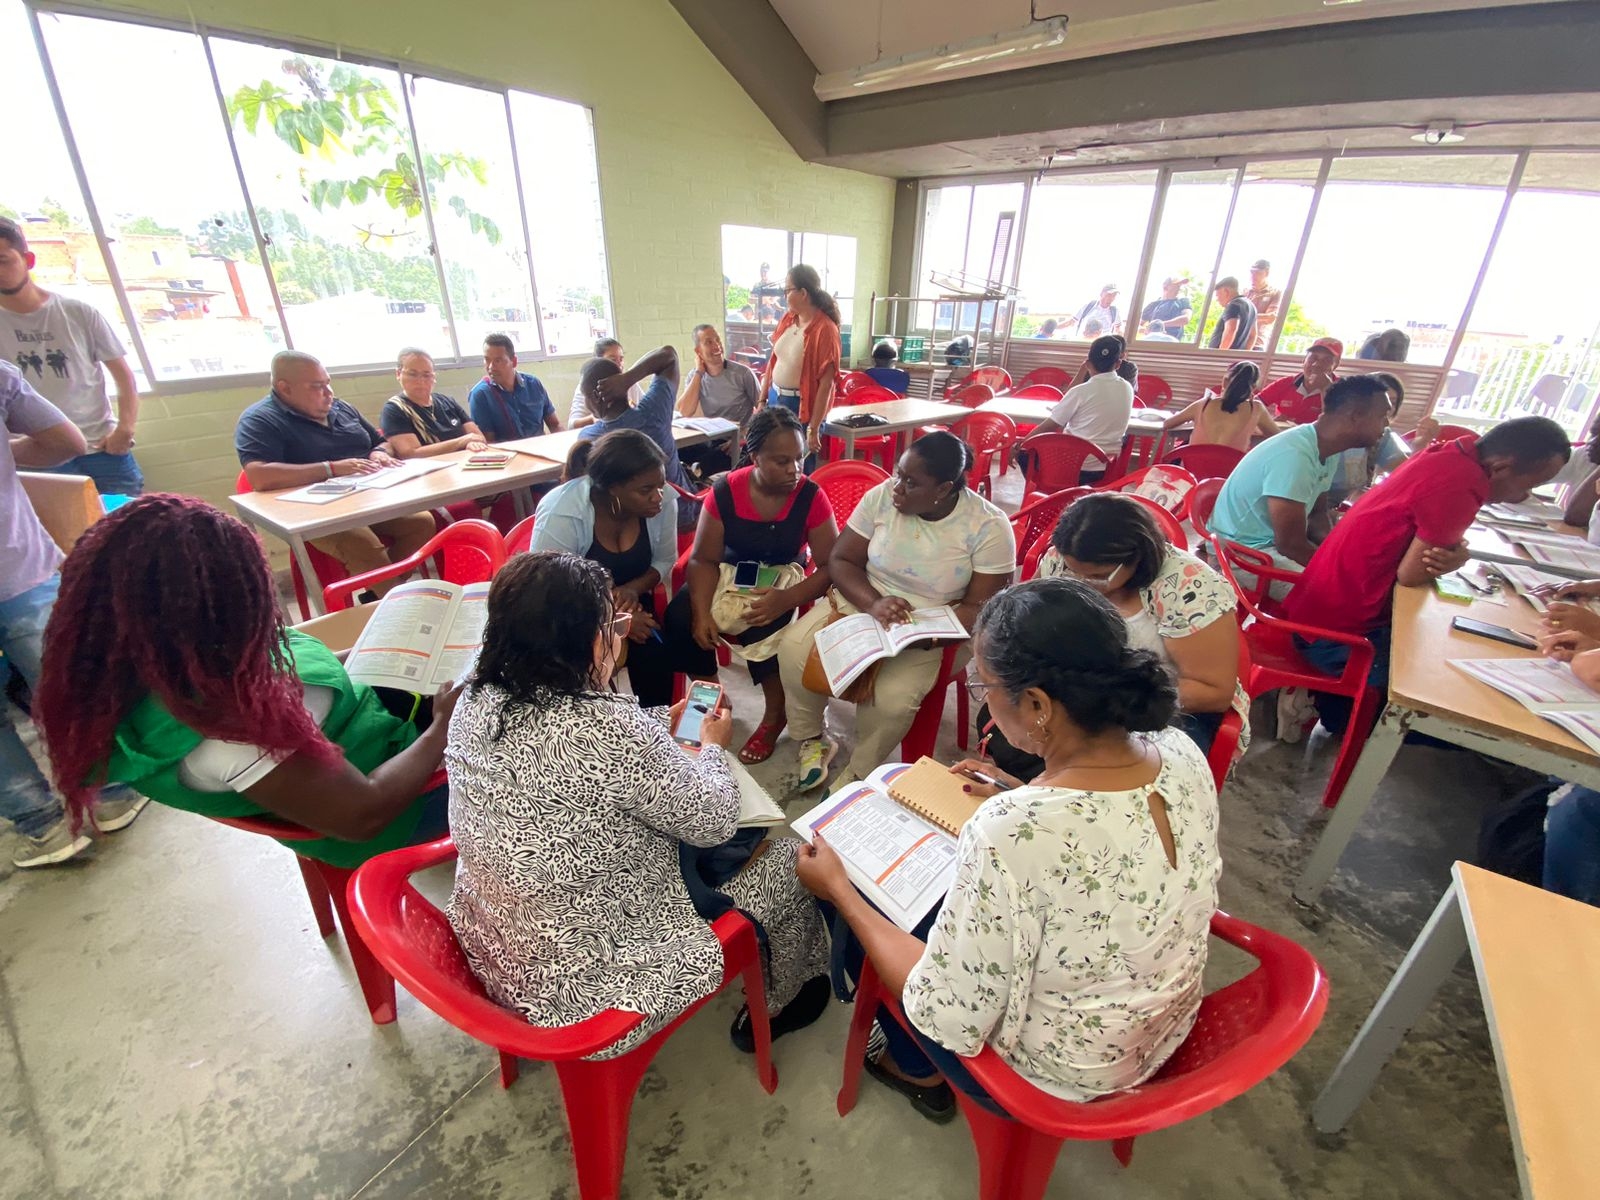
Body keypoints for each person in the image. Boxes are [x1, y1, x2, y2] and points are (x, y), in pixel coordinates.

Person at [796, 578, 1220, 1121]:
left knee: (856, 900)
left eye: (984, 683)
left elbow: (950, 1016)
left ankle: (914, 1067)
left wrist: (839, 889)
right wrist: (1019, 788)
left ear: (1038, 704)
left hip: (1062, 1075)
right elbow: (1108, 832)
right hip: (1162, 1026)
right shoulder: (1179, 748)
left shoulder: (1009, 831)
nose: (983, 697)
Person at [447, 550, 831, 1059]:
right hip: (587, 989)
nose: (621, 633)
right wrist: (712, 747)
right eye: (614, 623)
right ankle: (794, 994)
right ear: (584, 639)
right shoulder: (602, 729)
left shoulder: (475, 694)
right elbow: (712, 821)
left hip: (501, 944)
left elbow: (589, 750)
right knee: (790, 860)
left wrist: (655, 722)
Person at [33, 495, 458, 868]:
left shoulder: (161, 663)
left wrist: (387, 654)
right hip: (400, 811)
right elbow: (364, 814)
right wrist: (442, 727)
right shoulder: (230, 731)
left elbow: (290, 673)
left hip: (370, 733)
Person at [1282, 417, 1570, 731]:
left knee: (1442, 649)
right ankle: (1329, 705)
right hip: (1334, 636)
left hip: (1314, 610)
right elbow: (1412, 573)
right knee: (1440, 703)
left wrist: (1450, 553)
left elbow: (1427, 550)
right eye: (1528, 485)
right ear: (1500, 467)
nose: (1523, 497)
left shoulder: (1453, 452)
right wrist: (1455, 559)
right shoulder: (1462, 483)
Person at [777, 432, 1015, 789]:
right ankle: (813, 739)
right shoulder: (883, 498)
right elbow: (842, 559)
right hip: (863, 601)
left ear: (943, 488)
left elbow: (981, 608)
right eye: (898, 474)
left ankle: (859, 773)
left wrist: (921, 635)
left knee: (891, 700)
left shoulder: (988, 526)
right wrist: (873, 603)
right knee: (794, 651)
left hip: (933, 628)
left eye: (911, 482)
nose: (897, 488)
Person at [0, 360, 147, 867]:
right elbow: (66, 441)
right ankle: (111, 792)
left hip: (18, 567)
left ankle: (42, 826)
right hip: (16, 566)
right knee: (66, 686)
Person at [668, 408, 838, 765]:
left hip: (781, 578)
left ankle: (775, 715)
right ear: (755, 455)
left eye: (799, 458)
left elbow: (832, 566)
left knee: (763, 620)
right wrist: (702, 614)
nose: (795, 470)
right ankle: (711, 696)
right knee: (680, 616)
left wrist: (787, 599)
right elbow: (702, 559)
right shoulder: (725, 492)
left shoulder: (810, 496)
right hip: (730, 573)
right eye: (781, 461)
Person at [1032, 494, 1248, 756]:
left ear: (1137, 558)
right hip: (1083, 694)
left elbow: (1214, 691)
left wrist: (1109, 699)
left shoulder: (1189, 586)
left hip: (1164, 708)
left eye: (1099, 577)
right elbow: (1031, 622)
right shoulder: (1062, 559)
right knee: (1013, 737)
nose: (1083, 584)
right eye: (1072, 571)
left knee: (1094, 765)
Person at [236, 350, 435, 594]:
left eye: (328, 384)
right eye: (316, 387)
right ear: (284, 388)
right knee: (364, 546)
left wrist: (379, 453)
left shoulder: (341, 408)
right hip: (315, 511)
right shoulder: (260, 419)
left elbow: (380, 441)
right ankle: (399, 610)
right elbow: (259, 476)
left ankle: (377, 596)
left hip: (366, 496)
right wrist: (329, 469)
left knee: (421, 522)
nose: (328, 393)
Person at [531, 429, 691, 707]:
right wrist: (614, 618)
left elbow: (664, 561)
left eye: (660, 486)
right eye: (646, 490)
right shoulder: (563, 512)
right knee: (578, 676)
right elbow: (551, 590)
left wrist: (633, 589)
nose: (658, 497)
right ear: (613, 488)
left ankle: (655, 731)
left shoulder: (663, 503)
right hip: (570, 612)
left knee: (656, 653)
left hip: (630, 603)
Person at [0, 217, 143, 495]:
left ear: (28, 259)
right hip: (38, 457)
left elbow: (123, 375)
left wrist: (125, 429)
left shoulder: (77, 312)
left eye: (4, 260)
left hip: (102, 449)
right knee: (66, 535)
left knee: (133, 529)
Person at [1209, 374, 1393, 579]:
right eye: (1383, 416)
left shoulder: (1326, 448)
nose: (1387, 424)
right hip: (1240, 553)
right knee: (1339, 596)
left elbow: (1317, 516)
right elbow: (1290, 545)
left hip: (1269, 545)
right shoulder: (1295, 455)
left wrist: (1338, 553)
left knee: (1356, 576)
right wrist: (1340, 571)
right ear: (1356, 415)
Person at [755, 264, 842, 470]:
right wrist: (762, 399)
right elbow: (774, 361)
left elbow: (826, 384)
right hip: (776, 398)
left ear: (803, 293)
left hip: (800, 406)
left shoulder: (825, 329)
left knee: (798, 468)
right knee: (773, 462)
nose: (785, 296)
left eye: (788, 290)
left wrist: (813, 427)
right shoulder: (788, 319)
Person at [1017, 334, 1134, 479]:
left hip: (1073, 465)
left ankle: (1045, 489)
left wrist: (1020, 444)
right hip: (1105, 466)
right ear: (1118, 364)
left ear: (1088, 364)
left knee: (1024, 453)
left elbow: (1051, 425)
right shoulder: (1127, 387)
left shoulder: (1081, 391)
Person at [677, 324, 760, 481]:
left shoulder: (742, 374)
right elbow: (685, 411)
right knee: (677, 451)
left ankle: (694, 476)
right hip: (712, 437)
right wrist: (699, 373)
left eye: (718, 340)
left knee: (712, 459)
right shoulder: (695, 377)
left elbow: (764, 410)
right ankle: (692, 477)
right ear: (698, 351)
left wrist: (744, 434)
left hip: (737, 440)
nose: (716, 345)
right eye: (708, 342)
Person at [380, 347, 486, 458]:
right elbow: (411, 453)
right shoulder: (395, 409)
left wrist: (471, 442)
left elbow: (477, 437)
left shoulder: (447, 402)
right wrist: (462, 441)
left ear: (434, 377)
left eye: (426, 375)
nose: (420, 381)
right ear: (398, 374)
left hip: (465, 463)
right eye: (412, 374)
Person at [1162, 361, 1280, 452]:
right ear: (1253, 387)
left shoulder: (1203, 404)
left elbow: (1167, 424)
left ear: (1224, 381)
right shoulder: (1256, 409)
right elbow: (1278, 437)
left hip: (1193, 470)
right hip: (1228, 476)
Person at [469, 334, 561, 441]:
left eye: (497, 361)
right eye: (487, 360)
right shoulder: (481, 395)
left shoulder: (533, 384)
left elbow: (555, 425)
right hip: (508, 455)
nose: (490, 367)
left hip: (541, 449)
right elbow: (489, 443)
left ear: (514, 361)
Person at [1257, 338, 1343, 420]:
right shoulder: (1286, 383)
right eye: (1313, 358)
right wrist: (1269, 422)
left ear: (1336, 365)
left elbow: (1336, 424)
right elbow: (1252, 405)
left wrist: (1326, 388)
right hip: (1283, 433)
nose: (1316, 365)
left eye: (1326, 360)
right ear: (1304, 360)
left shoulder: (1344, 389)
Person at [570, 338, 642, 430]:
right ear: (598, 361)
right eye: (613, 359)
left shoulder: (629, 382)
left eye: (621, 359)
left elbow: (644, 407)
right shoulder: (586, 386)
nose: (619, 364)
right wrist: (593, 419)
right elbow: (572, 425)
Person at [1207, 277, 1257, 352]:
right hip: (1234, 358)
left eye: (1218, 295)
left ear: (1226, 291)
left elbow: (1231, 329)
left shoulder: (1233, 305)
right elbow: (1253, 335)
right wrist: (1244, 354)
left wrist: (1219, 354)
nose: (1217, 299)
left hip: (1222, 358)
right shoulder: (1252, 306)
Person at [1244, 259, 1282, 350]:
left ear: (1267, 273)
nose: (1253, 276)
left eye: (1257, 273)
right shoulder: (1245, 292)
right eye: (1251, 272)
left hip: (1257, 343)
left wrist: (1245, 317)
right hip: (1240, 340)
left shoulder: (1275, 293)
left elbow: (1270, 318)